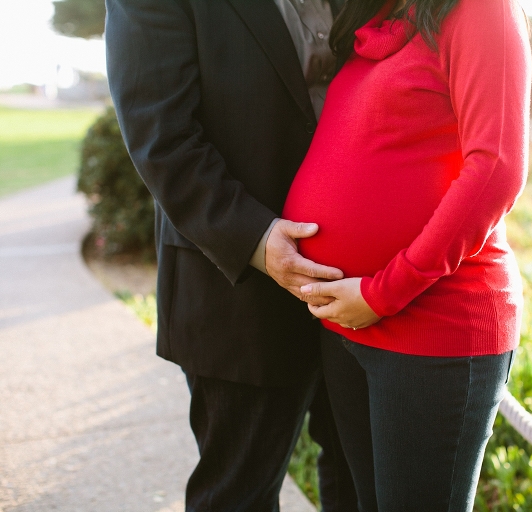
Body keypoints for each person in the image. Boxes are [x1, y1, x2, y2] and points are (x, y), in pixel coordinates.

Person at [104, 0, 357, 510]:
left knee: (360, 489)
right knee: (238, 494)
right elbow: (161, 137)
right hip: (235, 288)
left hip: (360, 284)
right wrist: (257, 241)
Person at [282, 0, 532, 509]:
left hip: (434, 327)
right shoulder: (376, 24)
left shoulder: (482, 11)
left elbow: (497, 168)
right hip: (347, 325)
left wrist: (383, 291)